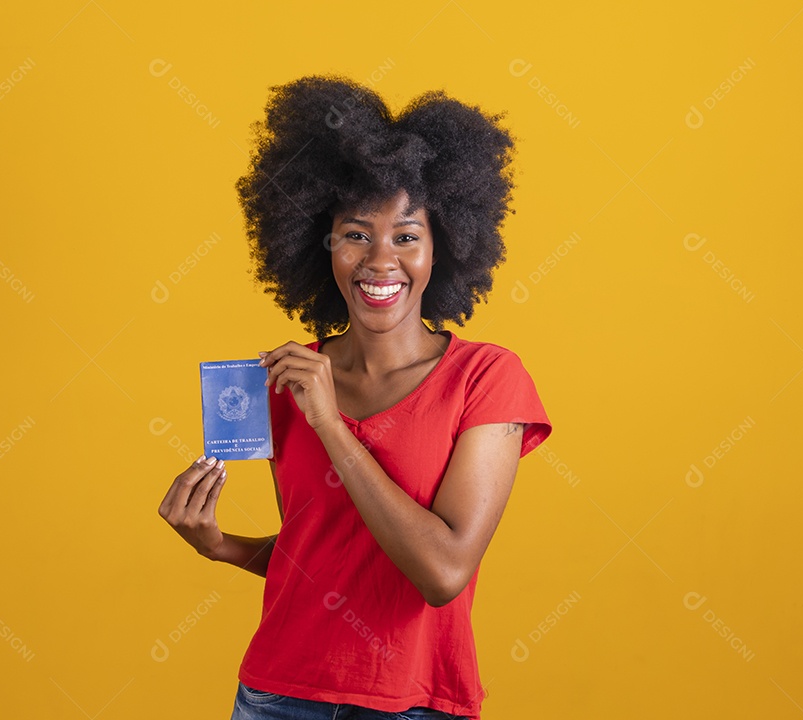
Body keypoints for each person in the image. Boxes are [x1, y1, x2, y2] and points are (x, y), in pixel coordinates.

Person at [158, 75, 552, 720]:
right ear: (322, 245)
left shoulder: (486, 378)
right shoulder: (289, 382)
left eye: (406, 235)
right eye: (355, 233)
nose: (379, 259)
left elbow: (442, 572)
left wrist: (331, 424)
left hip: (416, 702)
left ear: (442, 247)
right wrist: (219, 544)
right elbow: (322, 552)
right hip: (277, 694)